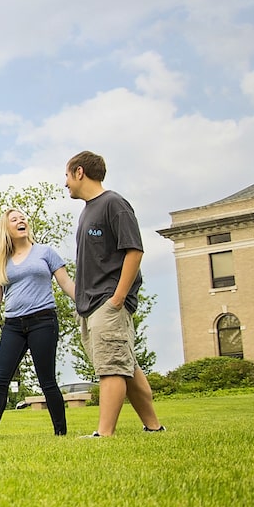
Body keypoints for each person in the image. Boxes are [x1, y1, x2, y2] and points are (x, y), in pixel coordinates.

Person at [64, 150, 165, 437]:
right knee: (126, 366)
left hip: (108, 302)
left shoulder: (114, 204)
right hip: (91, 304)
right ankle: (154, 427)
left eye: (67, 176)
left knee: (111, 369)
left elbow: (134, 250)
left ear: (79, 172)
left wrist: (117, 298)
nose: (66, 184)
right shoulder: (87, 211)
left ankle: (104, 433)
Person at [0, 208, 75, 441]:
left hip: (43, 320)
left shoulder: (45, 252)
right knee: (0, 378)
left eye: (23, 218)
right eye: (14, 220)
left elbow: (66, 283)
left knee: (47, 379)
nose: (21, 220)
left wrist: (86, 305)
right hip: (13, 325)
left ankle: (60, 433)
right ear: (7, 229)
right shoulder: (1, 261)